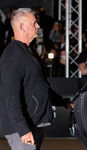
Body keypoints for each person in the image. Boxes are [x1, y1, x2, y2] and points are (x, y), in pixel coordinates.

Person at [0, 8, 71, 150]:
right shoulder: (12, 56)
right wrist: (23, 130)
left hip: (33, 124)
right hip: (22, 129)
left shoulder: (29, 50)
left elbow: (39, 85)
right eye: (34, 23)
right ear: (22, 27)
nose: (38, 26)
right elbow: (10, 97)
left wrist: (63, 101)